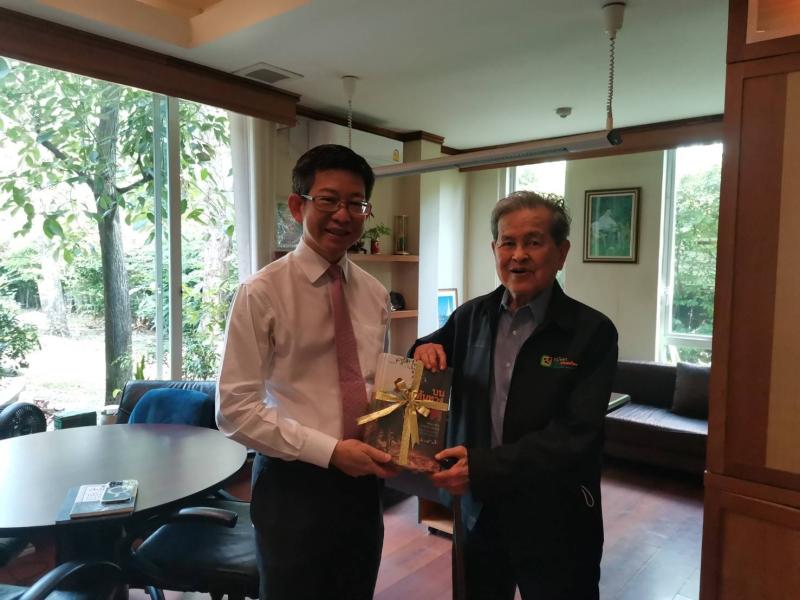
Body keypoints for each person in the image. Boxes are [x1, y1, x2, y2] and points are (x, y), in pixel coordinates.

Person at [412, 191, 618, 600]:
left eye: (534, 242)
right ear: (495, 250)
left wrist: (483, 467)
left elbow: (576, 435)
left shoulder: (591, 332)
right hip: (479, 511)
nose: (518, 255)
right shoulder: (471, 316)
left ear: (561, 253)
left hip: (556, 518)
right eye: (508, 242)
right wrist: (422, 348)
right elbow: (425, 350)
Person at [216, 144, 395, 600]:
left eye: (356, 203)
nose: (343, 215)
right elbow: (234, 409)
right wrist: (331, 451)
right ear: (298, 206)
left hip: (363, 484)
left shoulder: (375, 294)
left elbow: (376, 384)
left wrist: (398, 438)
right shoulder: (261, 292)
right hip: (292, 482)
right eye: (329, 200)